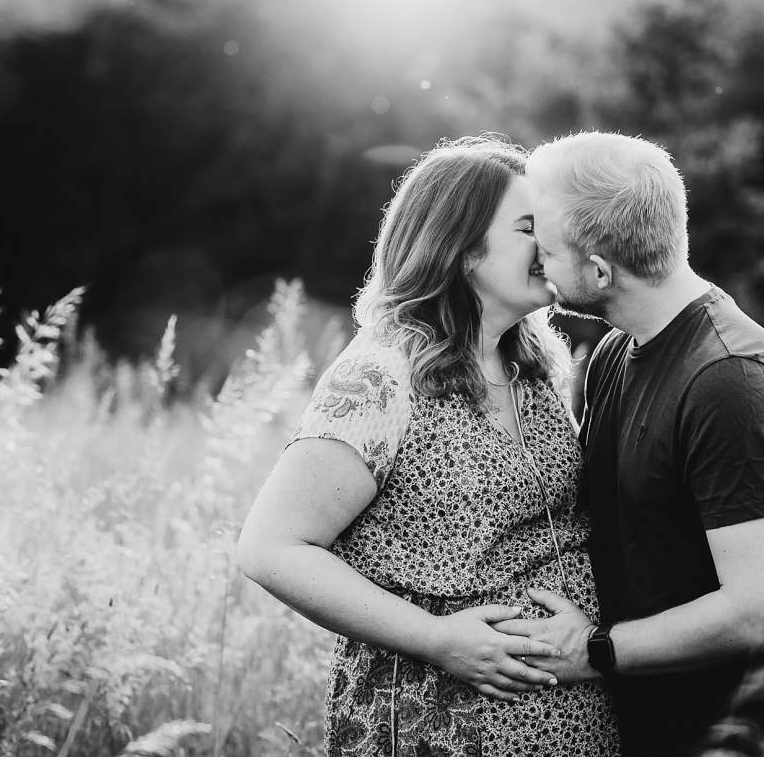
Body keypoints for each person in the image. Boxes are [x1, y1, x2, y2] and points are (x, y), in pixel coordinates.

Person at [237, 136, 619, 756]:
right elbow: (271, 548)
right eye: (528, 228)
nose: (551, 246)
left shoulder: (536, 363)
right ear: (461, 247)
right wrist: (436, 637)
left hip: (569, 724)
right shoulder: (383, 373)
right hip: (436, 723)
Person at [495, 131, 764, 755]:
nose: (537, 265)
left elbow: (761, 612)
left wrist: (593, 652)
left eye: (545, 249)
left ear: (599, 269)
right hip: (650, 728)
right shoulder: (612, 354)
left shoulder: (732, 382)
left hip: (745, 738)